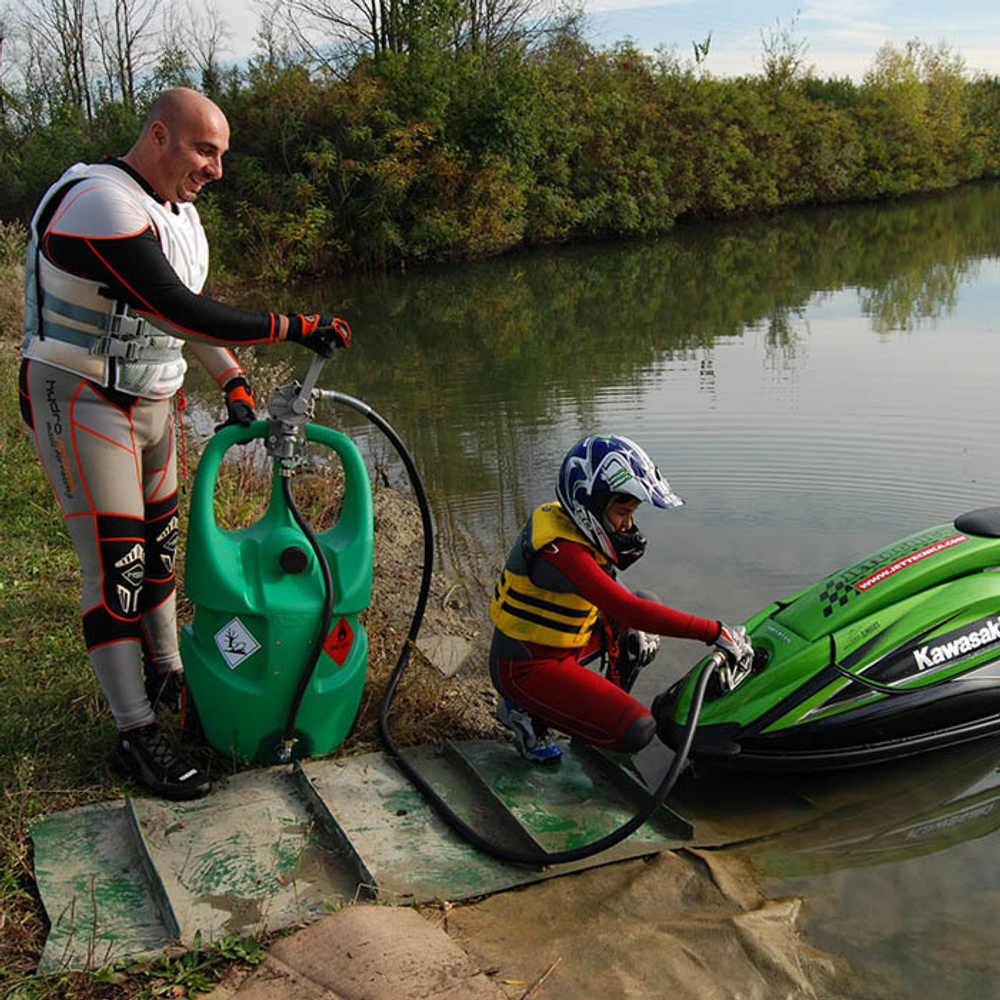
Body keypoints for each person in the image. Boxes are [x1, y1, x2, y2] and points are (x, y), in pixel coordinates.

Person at [17, 87, 350, 800]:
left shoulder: (181, 217)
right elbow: (177, 305)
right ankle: (135, 733)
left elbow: (178, 320)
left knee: (162, 548)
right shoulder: (98, 199)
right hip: (79, 394)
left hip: (152, 397)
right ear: (161, 136)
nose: (216, 169)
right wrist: (293, 324)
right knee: (119, 565)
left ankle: (169, 671)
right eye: (206, 150)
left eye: (222, 154)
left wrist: (230, 379)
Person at [488, 434, 752, 763]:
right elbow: (625, 607)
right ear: (589, 503)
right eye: (622, 512)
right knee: (638, 730)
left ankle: (591, 716)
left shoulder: (573, 528)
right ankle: (527, 713)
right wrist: (714, 631)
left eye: (632, 513)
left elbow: (629, 601)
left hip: (566, 648)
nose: (628, 523)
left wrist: (645, 623)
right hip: (525, 667)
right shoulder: (561, 552)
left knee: (643, 627)